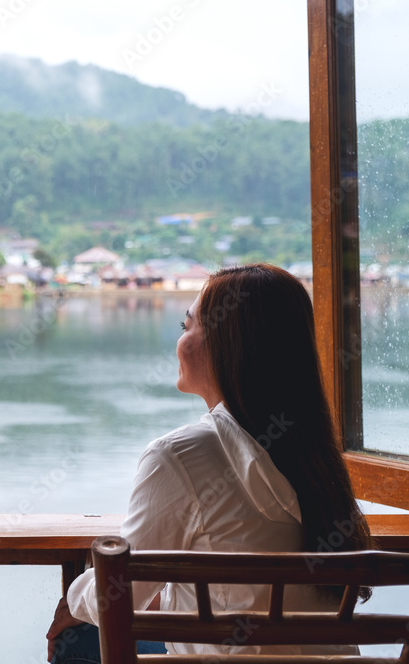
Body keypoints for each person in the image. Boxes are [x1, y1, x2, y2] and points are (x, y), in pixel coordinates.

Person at [46, 263, 373, 662]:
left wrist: (72, 599)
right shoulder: (316, 456)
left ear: (227, 344)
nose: (180, 341)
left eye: (187, 328)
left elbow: (114, 597)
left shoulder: (180, 455)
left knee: (77, 639)